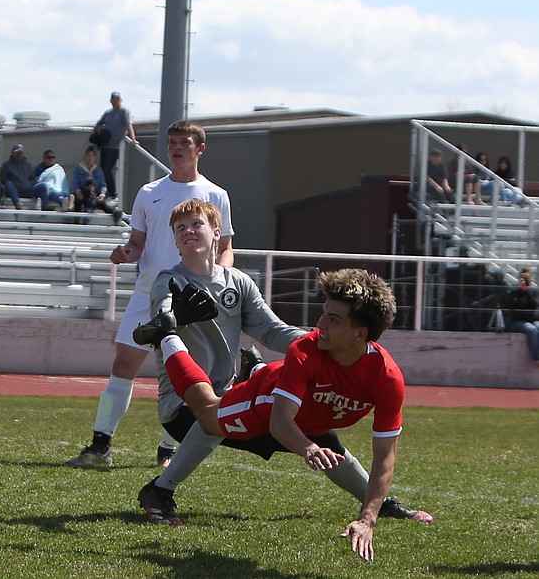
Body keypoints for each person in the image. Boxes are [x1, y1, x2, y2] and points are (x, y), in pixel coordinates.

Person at [130, 200, 433, 531]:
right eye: (180, 228)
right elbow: (161, 317)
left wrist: (322, 341)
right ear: (174, 240)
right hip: (182, 399)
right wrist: (171, 320)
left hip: (230, 392)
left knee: (319, 434)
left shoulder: (239, 283)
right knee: (211, 419)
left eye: (196, 224)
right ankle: (160, 490)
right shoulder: (168, 280)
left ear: (217, 232)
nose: (188, 231)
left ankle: (379, 504)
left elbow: (272, 331)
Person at [66, 121, 232, 470]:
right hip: (148, 293)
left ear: (199, 149)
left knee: (186, 373)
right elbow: (137, 245)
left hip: (192, 295)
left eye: (184, 143)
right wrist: (125, 253)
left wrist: (220, 281)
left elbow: (226, 249)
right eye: (172, 142)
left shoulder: (216, 195)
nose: (177, 148)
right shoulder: (148, 192)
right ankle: (101, 445)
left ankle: (168, 447)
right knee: (124, 363)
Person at [96, 91, 138, 201]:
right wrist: (99, 130)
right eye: (113, 99)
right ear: (110, 100)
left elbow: (129, 125)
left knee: (108, 169)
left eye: (117, 99)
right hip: (105, 145)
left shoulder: (124, 111)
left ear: (121, 100)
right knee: (102, 170)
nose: (115, 101)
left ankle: (112, 193)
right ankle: (103, 192)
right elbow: (99, 123)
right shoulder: (108, 112)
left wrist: (133, 139)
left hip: (115, 147)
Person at [500, 269, 539, 363]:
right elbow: (514, 307)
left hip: (531, 320)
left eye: (526, 279)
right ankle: (537, 357)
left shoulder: (533, 292)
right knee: (532, 329)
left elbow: (534, 306)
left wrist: (527, 291)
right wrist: (521, 290)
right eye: (522, 279)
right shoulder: (513, 292)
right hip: (516, 321)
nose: (523, 282)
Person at [0, 144, 51, 210]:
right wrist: (16, 183)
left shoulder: (28, 165)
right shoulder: (6, 165)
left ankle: (44, 207)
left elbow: (32, 178)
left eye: (20, 152)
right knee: (9, 184)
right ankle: (17, 204)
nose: (19, 154)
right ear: (12, 153)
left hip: (27, 190)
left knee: (44, 186)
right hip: (15, 191)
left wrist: (28, 184)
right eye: (16, 152)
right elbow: (3, 179)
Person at [71, 146, 119, 217]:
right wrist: (78, 191)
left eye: (92, 156)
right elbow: (75, 182)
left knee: (102, 204)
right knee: (78, 201)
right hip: (82, 194)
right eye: (88, 155)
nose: (90, 158)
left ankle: (115, 213)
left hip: (95, 194)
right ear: (84, 157)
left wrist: (102, 194)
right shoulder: (79, 168)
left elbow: (103, 184)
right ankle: (77, 220)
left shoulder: (98, 170)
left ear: (95, 158)